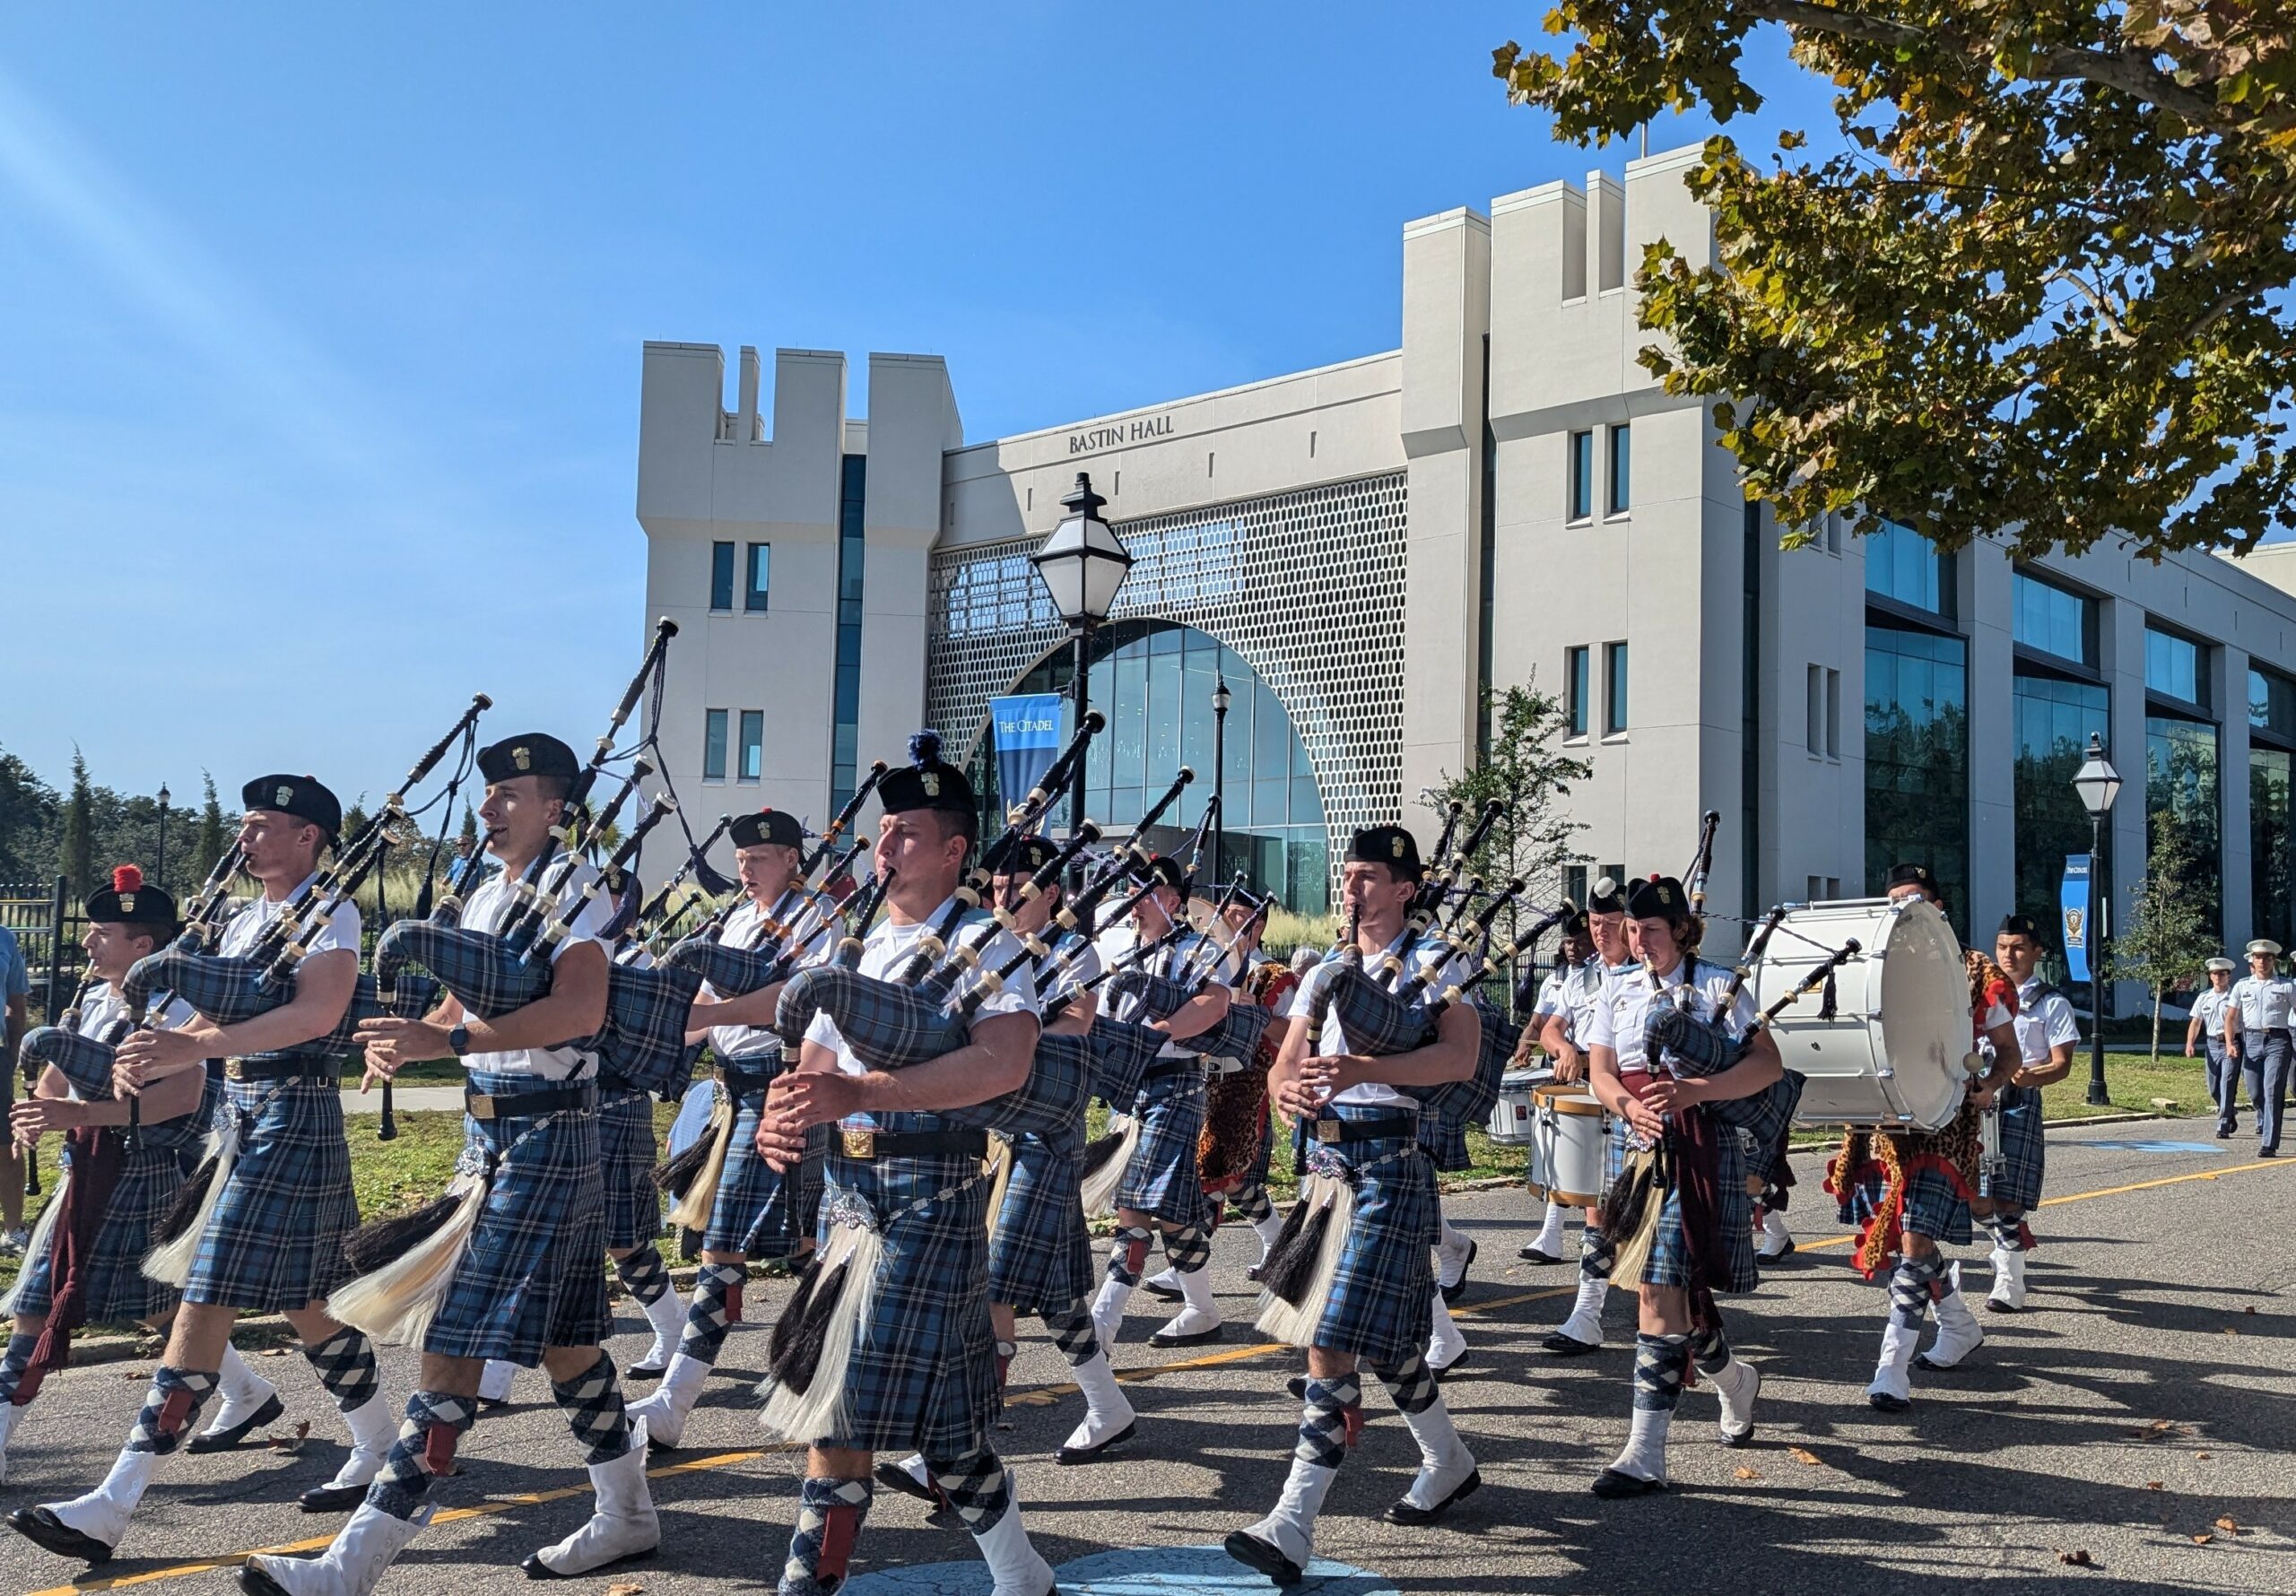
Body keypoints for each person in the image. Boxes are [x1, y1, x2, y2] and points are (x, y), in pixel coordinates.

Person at [244, 733, 661, 1594]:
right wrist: (416, 1040)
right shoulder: (486, 894)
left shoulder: (579, 891)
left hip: (548, 1135)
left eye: (511, 798)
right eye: (487, 796)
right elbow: (462, 1002)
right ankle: (627, 1513)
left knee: (452, 1347)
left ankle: (350, 1567)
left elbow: (579, 1011)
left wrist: (452, 1037)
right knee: (570, 1344)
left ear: (556, 809)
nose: (489, 809)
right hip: (492, 1141)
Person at [10, 777, 395, 1570]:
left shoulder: (332, 912)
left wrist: (195, 1048)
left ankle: (113, 1503)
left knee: (204, 1295)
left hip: (293, 1116)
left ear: (309, 838)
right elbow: (215, 1008)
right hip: (241, 1120)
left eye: (264, 826)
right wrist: (164, 1035)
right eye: (247, 825)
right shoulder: (248, 917)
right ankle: (383, 1442)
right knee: (306, 1301)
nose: (246, 837)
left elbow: (317, 1016)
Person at [753, 732, 1058, 1596]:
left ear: (956, 849)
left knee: (838, 1409)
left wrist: (862, 1095)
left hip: (932, 1195)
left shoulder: (985, 944)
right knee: (947, 1433)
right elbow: (813, 1071)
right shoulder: (851, 945)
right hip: (849, 1205)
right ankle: (1022, 1572)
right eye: (883, 831)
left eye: (908, 834)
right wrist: (787, 1122)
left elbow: (1005, 1062)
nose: (885, 848)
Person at [1225, 823, 1483, 1586]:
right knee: (1393, 1342)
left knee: (1330, 1341)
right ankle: (1448, 1460)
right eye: (1348, 875)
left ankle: (1291, 1523)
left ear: (1405, 888)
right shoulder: (1326, 969)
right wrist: (1287, 1093)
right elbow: (1286, 1065)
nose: (1352, 887)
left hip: (1393, 1161)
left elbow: (1459, 1057)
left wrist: (1362, 1068)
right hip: (1327, 1168)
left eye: (1369, 876)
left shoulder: (1437, 961)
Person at [880, 833, 1135, 1512]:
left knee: (990, 1285)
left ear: (1051, 893)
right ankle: (1108, 1407)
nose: (1002, 897)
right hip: (992, 1135)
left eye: (1016, 890)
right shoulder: (985, 949)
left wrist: (998, 1035)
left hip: (1045, 1136)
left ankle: (957, 1453)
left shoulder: (1073, 952)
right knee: (1052, 1296)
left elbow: (1076, 1027)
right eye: (995, 888)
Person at [0, 869, 267, 1481]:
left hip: (141, 1170)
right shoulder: (92, 999)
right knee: (158, 1307)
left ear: (143, 946)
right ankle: (248, 1390)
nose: (89, 944)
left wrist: (81, 1112)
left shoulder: (175, 1007)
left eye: (102, 934)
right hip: (87, 1169)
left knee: (41, 1303)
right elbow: (56, 1078)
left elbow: (180, 1099)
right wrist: (39, 1113)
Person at [627, 805, 829, 1449]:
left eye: (759, 860)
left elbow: (798, 1003)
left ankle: (675, 1403)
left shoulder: (818, 920)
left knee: (726, 1248)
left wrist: (712, 1010)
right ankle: (832, 1361)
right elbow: (707, 1013)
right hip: (729, 1094)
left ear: (791, 859)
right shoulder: (738, 918)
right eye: (740, 861)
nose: (745, 870)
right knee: (795, 1246)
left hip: (778, 1086)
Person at [1579, 874, 1779, 1497]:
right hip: (1635, 1146)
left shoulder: (1719, 985)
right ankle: (1733, 1378)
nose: (1640, 942)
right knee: (1668, 1296)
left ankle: (1645, 1454)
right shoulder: (1617, 989)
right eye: (1633, 930)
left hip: (1699, 1146)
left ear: (1682, 931)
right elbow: (1601, 1072)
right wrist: (1624, 1107)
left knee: (1658, 1292)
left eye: (1653, 931)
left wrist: (1699, 1090)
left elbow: (1767, 1065)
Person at [1836, 863, 2020, 1410]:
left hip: (1946, 1123)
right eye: (1893, 900)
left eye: (1913, 899)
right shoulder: (1874, 965)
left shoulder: (1977, 969)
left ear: (1938, 908)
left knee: (1914, 1243)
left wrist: (1988, 1086)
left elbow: (2009, 1051)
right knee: (1912, 1243)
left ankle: (1891, 1369)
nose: (1902, 909)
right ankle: (1959, 1325)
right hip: (1885, 1124)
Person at [1089, 855, 1234, 1351]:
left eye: (1145, 894)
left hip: (1175, 1084)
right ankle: (1202, 1310)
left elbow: (1214, 1005)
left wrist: (1159, 1032)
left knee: (1133, 1204)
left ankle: (1102, 1322)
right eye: (1130, 893)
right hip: (1128, 1089)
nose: (1134, 905)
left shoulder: (1201, 950)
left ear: (1172, 901)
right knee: (1172, 1211)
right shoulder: (1117, 947)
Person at [1537, 878, 1640, 1354]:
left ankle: (1677, 1317)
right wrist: (1563, 1049)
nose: (1600, 932)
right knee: (1597, 1211)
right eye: (1595, 923)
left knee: (1649, 1220)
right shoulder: (1582, 976)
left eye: (1610, 923)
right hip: (1598, 1105)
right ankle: (1586, 1315)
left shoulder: (1650, 973)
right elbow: (1551, 1028)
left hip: (1642, 1103)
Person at [1981, 915, 2077, 1311]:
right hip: (1978, 1096)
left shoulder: (2051, 1003)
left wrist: (2029, 1075)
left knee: (2007, 1198)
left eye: (2019, 947)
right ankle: (2009, 1243)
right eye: (2003, 946)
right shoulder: (1982, 997)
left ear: (2037, 952)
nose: (2009, 954)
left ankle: (2009, 1283)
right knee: (1975, 1199)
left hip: (2018, 1099)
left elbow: (2062, 1064)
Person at [2226, 938, 2293, 1158]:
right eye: (2258, 957)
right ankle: (2266, 1120)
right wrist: (2229, 1043)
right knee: (2255, 1093)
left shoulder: (2285, 986)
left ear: (2273, 961)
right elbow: (2231, 1017)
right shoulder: (2242, 986)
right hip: (2252, 1041)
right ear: (2252, 962)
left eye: (2266, 957)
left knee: (2273, 1089)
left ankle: (2269, 1143)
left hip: (2278, 1040)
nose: (2262, 961)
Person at [2187, 956, 2239, 1139]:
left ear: (2229, 976)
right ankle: (2230, 1110)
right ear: (2210, 976)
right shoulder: (2204, 998)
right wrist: (2190, 1044)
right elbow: (2196, 1022)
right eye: (2214, 973)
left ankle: (2223, 1124)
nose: (2218, 977)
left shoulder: (2235, 997)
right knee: (2213, 1088)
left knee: (2227, 1083)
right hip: (2211, 1044)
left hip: (2231, 1043)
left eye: (2222, 974)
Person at [2, 920, 30, 1255]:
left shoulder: (4, 938)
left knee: (5, 1144)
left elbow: (16, 1002)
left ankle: (13, 1230)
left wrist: (11, 1054)